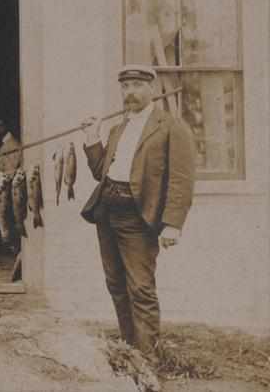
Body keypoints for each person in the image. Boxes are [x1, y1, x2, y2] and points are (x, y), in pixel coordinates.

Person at [80, 64, 195, 359]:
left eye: (136, 86)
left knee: (141, 288)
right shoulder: (119, 128)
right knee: (115, 283)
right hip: (106, 211)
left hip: (137, 217)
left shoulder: (171, 127)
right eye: (125, 86)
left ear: (151, 88)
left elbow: (181, 180)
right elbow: (100, 173)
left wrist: (173, 224)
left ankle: (148, 360)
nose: (130, 92)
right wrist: (93, 138)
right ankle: (131, 350)